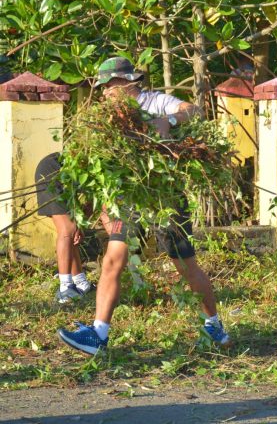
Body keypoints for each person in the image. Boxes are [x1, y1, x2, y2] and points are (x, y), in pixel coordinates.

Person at [57, 57, 231, 354]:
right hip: (127, 198)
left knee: (185, 264)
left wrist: (170, 121)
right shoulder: (106, 117)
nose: (104, 93)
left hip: (165, 198)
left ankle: (213, 325)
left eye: (109, 86)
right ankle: (98, 334)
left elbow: (194, 110)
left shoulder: (155, 102)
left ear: (126, 83)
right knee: (114, 259)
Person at [35, 153, 95, 303]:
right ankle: (65, 288)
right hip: (50, 172)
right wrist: (77, 225)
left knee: (71, 230)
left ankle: (81, 283)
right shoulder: (106, 169)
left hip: (64, 180)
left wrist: (79, 225)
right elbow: (91, 204)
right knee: (67, 230)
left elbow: (90, 204)